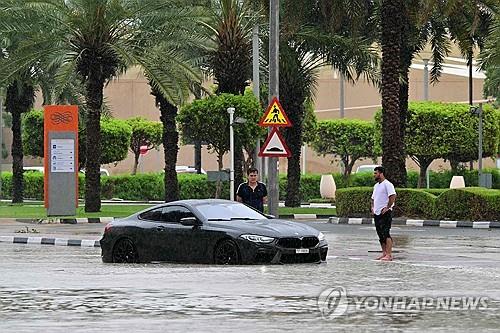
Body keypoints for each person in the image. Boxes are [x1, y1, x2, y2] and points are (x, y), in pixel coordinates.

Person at [371, 166, 397, 261]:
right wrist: (373, 207)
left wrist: (388, 207)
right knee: (380, 234)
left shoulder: (387, 184)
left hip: (385, 213)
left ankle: (389, 254)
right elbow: (373, 198)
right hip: (377, 213)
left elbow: (392, 196)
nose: (374, 175)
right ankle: (384, 253)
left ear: (381, 173)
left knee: (386, 233)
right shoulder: (376, 186)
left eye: (376, 173)